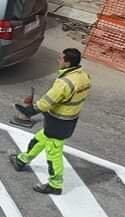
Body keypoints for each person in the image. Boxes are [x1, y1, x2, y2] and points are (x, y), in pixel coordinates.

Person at [9, 47, 91, 195]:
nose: (58, 60)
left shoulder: (64, 83)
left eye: (61, 58)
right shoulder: (84, 76)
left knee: (54, 153)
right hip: (70, 119)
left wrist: (30, 111)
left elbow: (47, 102)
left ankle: (55, 184)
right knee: (39, 139)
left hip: (58, 121)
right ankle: (22, 160)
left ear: (67, 62)